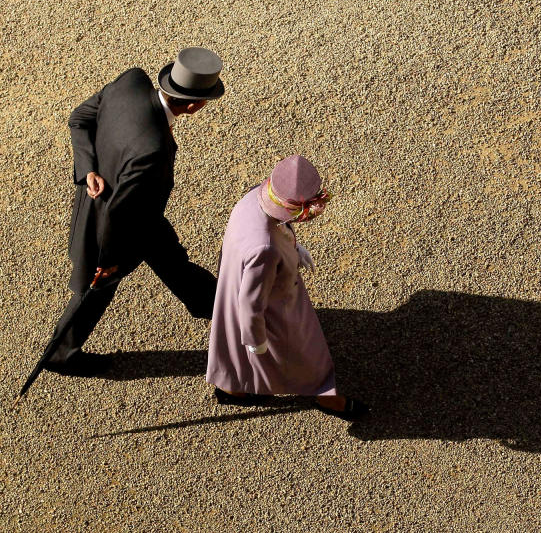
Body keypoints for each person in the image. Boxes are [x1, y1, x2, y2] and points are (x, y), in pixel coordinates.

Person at [44, 47, 225, 376]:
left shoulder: (131, 82)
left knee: (173, 260)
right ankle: (60, 355)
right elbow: (119, 215)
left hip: (137, 211)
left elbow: (80, 118)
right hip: (121, 224)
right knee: (97, 287)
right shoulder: (153, 149)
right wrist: (108, 261)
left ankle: (215, 305)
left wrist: (89, 170)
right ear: (196, 105)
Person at [206, 155, 367, 419]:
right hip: (277, 304)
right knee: (305, 351)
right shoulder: (265, 250)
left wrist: (293, 247)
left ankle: (231, 388)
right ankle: (326, 396)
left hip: (234, 280)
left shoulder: (256, 195)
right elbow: (251, 305)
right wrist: (257, 341)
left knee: (231, 343)